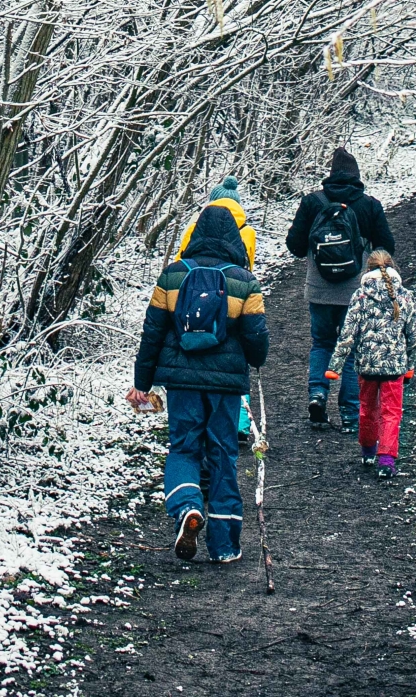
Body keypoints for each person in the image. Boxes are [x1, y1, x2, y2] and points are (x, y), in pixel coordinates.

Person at [128, 204, 269, 563]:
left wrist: (142, 382)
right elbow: (257, 342)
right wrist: (252, 358)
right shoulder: (244, 281)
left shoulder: (173, 276)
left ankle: (188, 507)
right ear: (234, 240)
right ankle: (224, 545)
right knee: (222, 453)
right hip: (225, 386)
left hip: (182, 382)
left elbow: (153, 331)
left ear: (194, 236)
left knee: (184, 448)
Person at [287, 147, 395, 433]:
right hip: (355, 293)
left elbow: (294, 246)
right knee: (352, 349)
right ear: (357, 176)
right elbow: (387, 247)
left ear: (331, 174)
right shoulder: (368, 205)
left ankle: (317, 396)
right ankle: (349, 414)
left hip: (319, 290)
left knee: (321, 343)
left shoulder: (313, 203)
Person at [174, 176, 257, 440]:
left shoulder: (194, 227)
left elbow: (180, 262)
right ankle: (240, 423)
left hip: (194, 301)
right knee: (235, 360)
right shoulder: (247, 232)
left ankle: (197, 423)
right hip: (234, 299)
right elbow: (248, 267)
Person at [324, 251, 416, 478]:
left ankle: (368, 451)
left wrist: (335, 366)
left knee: (367, 409)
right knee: (391, 412)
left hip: (366, 365)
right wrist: (410, 365)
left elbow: (347, 333)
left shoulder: (360, 296)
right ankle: (386, 460)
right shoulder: (404, 296)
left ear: (368, 270)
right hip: (394, 367)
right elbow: (412, 335)